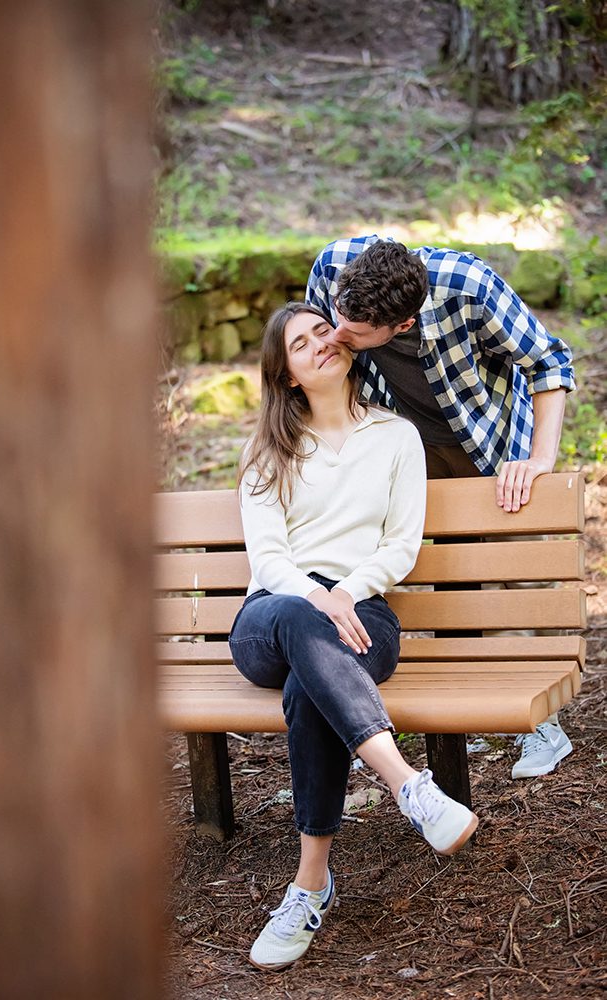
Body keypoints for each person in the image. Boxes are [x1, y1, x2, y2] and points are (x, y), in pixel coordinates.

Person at [229, 301, 478, 973]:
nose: (318, 345)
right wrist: (315, 594)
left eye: (322, 332)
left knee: (315, 683)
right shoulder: (270, 448)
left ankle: (309, 883)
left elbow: (400, 544)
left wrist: (346, 590)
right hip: (274, 614)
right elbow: (269, 558)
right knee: (302, 624)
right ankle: (407, 786)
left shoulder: (395, 437)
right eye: (299, 344)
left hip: (362, 610)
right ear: (284, 374)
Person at [306, 236, 576, 780]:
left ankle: (542, 723)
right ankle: (459, 715)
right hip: (396, 440)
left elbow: (548, 362)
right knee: (433, 571)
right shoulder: (335, 266)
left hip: (483, 437)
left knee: (496, 573)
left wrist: (540, 459)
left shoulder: (469, 288)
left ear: (400, 326)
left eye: (355, 335)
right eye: (337, 315)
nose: (336, 336)